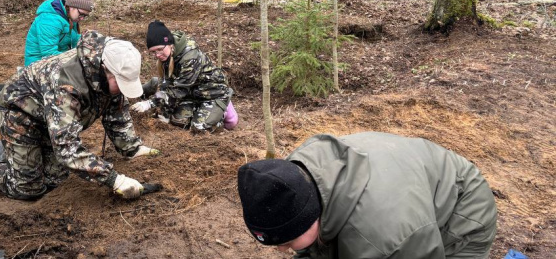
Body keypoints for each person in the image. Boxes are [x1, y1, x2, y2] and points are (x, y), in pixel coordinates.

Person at [237, 132, 498, 258]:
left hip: (462, 210)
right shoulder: (292, 179)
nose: (282, 249)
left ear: (310, 215)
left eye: (288, 240)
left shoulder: (388, 237)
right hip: (405, 183)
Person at [0, 31, 159, 201]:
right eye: (120, 83)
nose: (122, 90)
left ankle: (9, 153)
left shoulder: (105, 70)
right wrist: (115, 179)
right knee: (28, 188)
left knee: (55, 182)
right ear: (105, 69)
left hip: (50, 119)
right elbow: (66, 148)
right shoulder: (67, 85)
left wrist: (133, 148)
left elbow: (115, 111)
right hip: (20, 114)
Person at [130, 20, 236, 132]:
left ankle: (222, 109)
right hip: (191, 92)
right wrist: (166, 112)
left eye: (160, 49)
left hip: (212, 93)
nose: (157, 55)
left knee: (199, 128)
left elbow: (179, 90)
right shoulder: (168, 54)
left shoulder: (190, 57)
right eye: (153, 52)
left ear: (170, 44)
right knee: (179, 121)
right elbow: (167, 83)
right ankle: (198, 110)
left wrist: (149, 104)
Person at [23, 0, 94, 66]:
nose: (82, 18)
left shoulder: (69, 17)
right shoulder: (49, 21)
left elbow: (73, 39)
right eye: (81, 14)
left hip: (57, 58)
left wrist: (89, 42)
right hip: (38, 64)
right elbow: (49, 54)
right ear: (71, 6)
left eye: (85, 16)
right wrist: (80, 58)